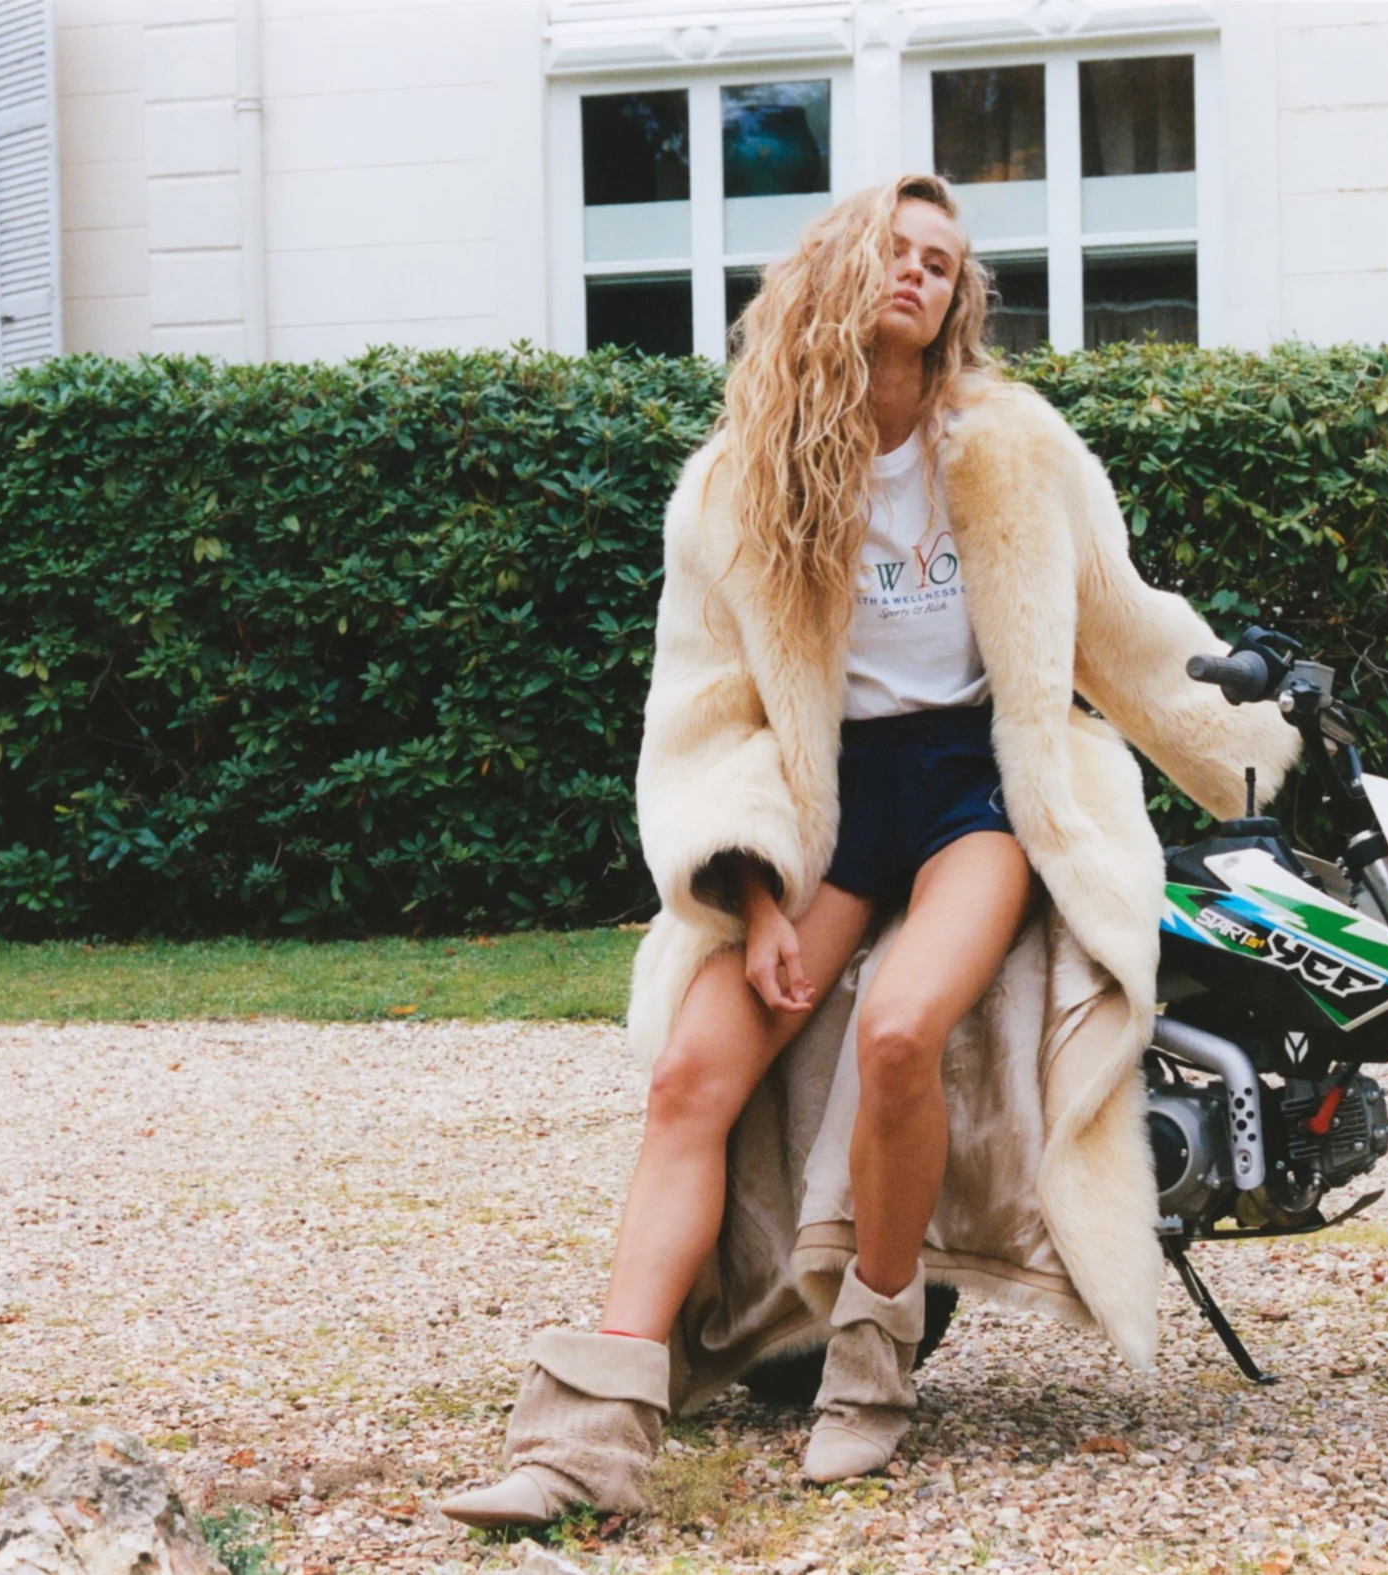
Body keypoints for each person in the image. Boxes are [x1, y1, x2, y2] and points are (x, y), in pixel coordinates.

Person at [439, 173, 1293, 1530]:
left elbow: (1117, 626)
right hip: (825, 804)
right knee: (692, 1076)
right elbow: (708, 712)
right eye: (893, 251)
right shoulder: (735, 481)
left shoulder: (1014, 447)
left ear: (958, 299)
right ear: (837, 268)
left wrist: (1254, 742)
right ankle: (591, 1437)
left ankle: (871, 1357)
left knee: (900, 1033)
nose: (916, 274)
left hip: (977, 786)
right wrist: (746, 887)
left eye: (941, 262)